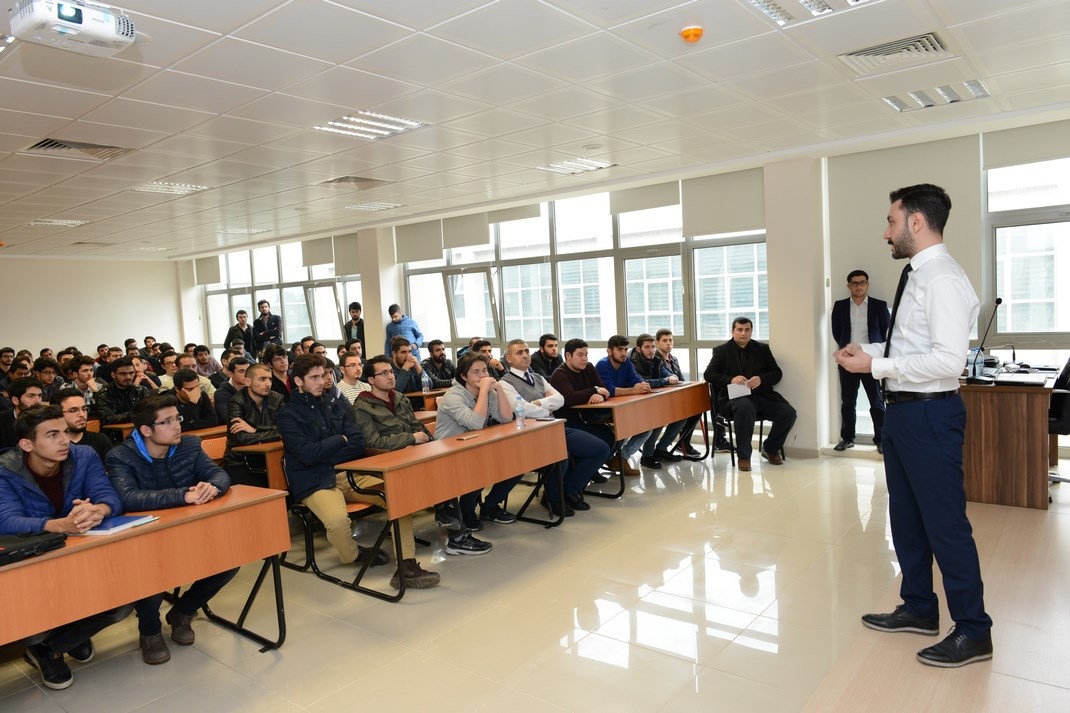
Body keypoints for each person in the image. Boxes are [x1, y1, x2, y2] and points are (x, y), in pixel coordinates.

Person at [836, 183, 993, 668]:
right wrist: (871, 352)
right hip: (904, 413)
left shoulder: (941, 278)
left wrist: (876, 367)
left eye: (891, 221)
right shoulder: (917, 274)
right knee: (905, 518)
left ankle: (974, 630)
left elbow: (948, 361)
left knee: (945, 525)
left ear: (917, 222)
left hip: (930, 414)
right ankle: (920, 607)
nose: (886, 232)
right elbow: (910, 347)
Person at [0, 405, 132, 690]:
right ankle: (51, 643)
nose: (65, 440)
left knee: (122, 603)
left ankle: (57, 645)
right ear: (27, 444)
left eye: (65, 432)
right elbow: (7, 521)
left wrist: (98, 510)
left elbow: (109, 496)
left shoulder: (83, 455)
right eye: (52, 435)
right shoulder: (5, 469)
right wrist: (60, 525)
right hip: (34, 562)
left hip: (80, 552)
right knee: (35, 624)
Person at [106, 395, 238, 666]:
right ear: (146, 430)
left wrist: (213, 486)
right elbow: (128, 498)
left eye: (177, 418)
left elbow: (219, 474)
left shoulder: (189, 445)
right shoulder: (120, 456)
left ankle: (182, 611)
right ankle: (150, 631)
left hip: (187, 530)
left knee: (230, 559)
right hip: (146, 538)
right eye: (166, 421)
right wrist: (183, 495)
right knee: (151, 573)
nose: (177, 425)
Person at [351, 356, 484, 574]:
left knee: (451, 467)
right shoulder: (362, 407)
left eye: (391, 372)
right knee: (441, 474)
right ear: (371, 380)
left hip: (413, 454)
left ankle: (453, 526)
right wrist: (411, 439)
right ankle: (456, 534)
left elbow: (417, 426)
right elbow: (373, 442)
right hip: (388, 462)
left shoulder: (399, 398)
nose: (390, 376)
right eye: (383, 373)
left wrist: (428, 443)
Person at [276, 355, 404, 576]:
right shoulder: (287, 416)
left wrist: (327, 451)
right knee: (337, 522)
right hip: (314, 479)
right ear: (298, 381)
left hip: (347, 473)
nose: (322, 381)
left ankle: (406, 558)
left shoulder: (334, 404)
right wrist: (339, 439)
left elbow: (357, 442)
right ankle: (353, 555)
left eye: (324, 375)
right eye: (314, 377)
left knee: (399, 496)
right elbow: (307, 455)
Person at [499, 340, 610, 517]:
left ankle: (569, 489)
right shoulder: (505, 383)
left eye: (526, 351)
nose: (525, 355)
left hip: (554, 426)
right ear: (508, 358)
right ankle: (553, 498)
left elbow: (560, 400)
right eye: (519, 353)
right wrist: (547, 405)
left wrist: (536, 403)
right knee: (560, 453)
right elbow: (522, 410)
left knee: (600, 448)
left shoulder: (538, 378)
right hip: (530, 432)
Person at [434, 351, 519, 533]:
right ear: (464, 376)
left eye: (485, 371)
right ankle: (467, 510)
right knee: (481, 466)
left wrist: (499, 389)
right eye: (476, 372)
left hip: (475, 446)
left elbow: (506, 418)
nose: (482, 376)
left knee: (517, 463)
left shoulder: (488, 391)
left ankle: (490, 506)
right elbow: (475, 423)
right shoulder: (453, 396)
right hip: (448, 451)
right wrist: (484, 392)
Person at [704, 317, 796, 472]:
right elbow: (709, 374)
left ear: (751, 331)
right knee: (745, 408)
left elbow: (777, 373)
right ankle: (744, 456)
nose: (743, 333)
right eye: (739, 330)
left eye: (747, 330)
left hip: (761, 395)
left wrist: (761, 379)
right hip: (735, 398)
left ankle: (770, 448)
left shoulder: (762, 349)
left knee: (788, 413)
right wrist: (731, 379)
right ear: (732, 331)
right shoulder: (721, 351)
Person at [831, 269, 890, 453]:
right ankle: (847, 438)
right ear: (849, 286)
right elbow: (836, 331)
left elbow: (885, 333)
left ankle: (881, 439)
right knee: (848, 402)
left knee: (877, 402)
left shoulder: (879, 306)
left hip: (871, 362)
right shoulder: (840, 306)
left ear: (867, 284)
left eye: (862, 282)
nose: (859, 286)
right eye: (855, 283)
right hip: (848, 362)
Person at [549, 338, 619, 474]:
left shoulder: (589, 367)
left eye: (586, 355)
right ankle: (579, 477)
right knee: (603, 440)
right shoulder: (560, 375)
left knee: (612, 436)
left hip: (588, 418)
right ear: (568, 356)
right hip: (569, 422)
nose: (585, 359)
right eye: (580, 355)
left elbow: (604, 390)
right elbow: (570, 399)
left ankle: (591, 470)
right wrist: (594, 390)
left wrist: (601, 395)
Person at [595, 336, 657, 471]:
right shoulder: (602, 364)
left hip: (622, 407)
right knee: (625, 429)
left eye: (625, 349)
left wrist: (642, 385)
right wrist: (634, 390)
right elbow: (609, 390)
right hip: (604, 410)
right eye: (619, 350)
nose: (624, 353)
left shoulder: (626, 361)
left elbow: (633, 378)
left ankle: (621, 458)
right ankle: (609, 460)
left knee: (646, 428)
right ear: (609, 351)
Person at [629, 333, 692, 464]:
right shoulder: (631, 362)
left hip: (652, 398)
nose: (651, 350)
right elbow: (642, 382)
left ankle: (661, 449)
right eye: (647, 347)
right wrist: (665, 380)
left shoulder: (655, 359)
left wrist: (671, 377)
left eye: (652, 347)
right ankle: (647, 455)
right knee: (658, 418)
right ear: (639, 349)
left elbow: (669, 375)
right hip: (634, 401)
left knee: (682, 416)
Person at [224, 363, 284, 487]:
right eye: (262, 379)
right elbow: (239, 438)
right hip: (241, 461)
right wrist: (272, 433)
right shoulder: (236, 402)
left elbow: (287, 430)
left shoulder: (277, 399)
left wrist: (255, 429)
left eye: (270, 379)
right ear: (247, 381)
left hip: (273, 458)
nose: (268, 384)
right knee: (265, 485)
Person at [654, 329, 705, 459]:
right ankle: (668, 445)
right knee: (684, 413)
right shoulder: (655, 359)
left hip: (676, 396)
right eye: (664, 341)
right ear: (657, 343)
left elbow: (681, 379)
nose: (668, 343)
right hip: (663, 398)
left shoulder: (674, 359)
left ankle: (684, 443)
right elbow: (662, 380)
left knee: (697, 409)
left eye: (670, 340)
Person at [54, 388, 113, 463]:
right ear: (58, 414)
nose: (82, 414)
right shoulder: (53, 445)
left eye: (84, 409)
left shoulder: (101, 440)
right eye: (74, 410)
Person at [96, 357, 151, 427]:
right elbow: (107, 418)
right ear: (113, 375)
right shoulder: (103, 394)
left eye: (131, 373)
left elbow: (150, 412)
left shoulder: (141, 391)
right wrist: (133, 415)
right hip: (113, 432)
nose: (128, 377)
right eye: (123, 374)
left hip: (140, 429)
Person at [1, 377, 45, 448]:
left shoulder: (46, 419)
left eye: (39, 395)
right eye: (31, 396)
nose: (38, 401)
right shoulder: (2, 421)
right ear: (15, 400)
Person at [214, 356, 250, 423]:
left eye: (248, 371)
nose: (246, 374)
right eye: (241, 371)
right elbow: (228, 418)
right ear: (231, 374)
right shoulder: (221, 393)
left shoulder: (253, 388)